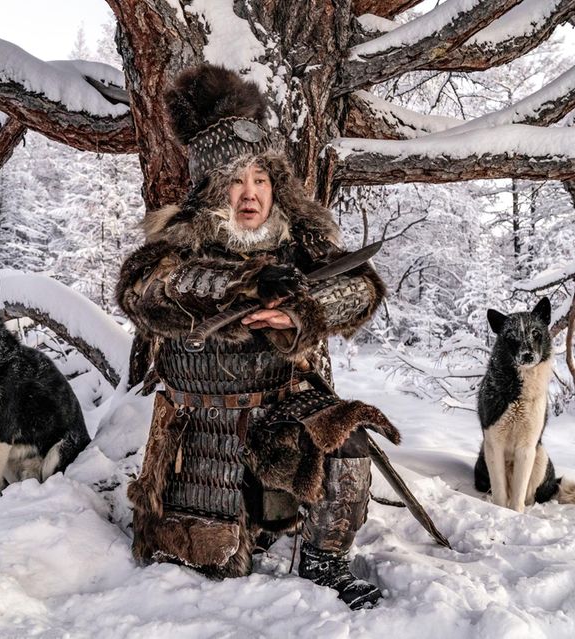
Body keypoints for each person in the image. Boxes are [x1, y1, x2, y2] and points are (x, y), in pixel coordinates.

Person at [116, 64, 400, 610]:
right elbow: (149, 290)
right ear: (212, 189)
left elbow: (360, 289)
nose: (250, 194)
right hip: (201, 429)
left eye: (261, 179)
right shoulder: (177, 248)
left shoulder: (299, 247)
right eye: (235, 181)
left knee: (346, 434)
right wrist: (244, 285)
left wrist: (300, 312)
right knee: (211, 562)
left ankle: (324, 563)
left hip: (277, 416)